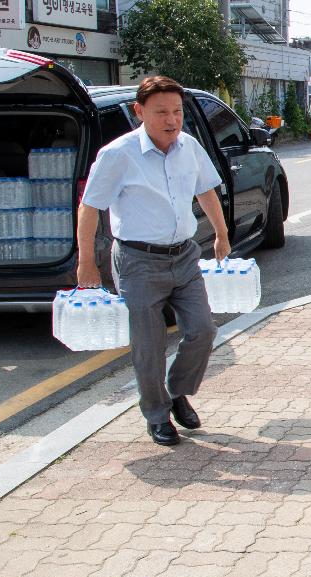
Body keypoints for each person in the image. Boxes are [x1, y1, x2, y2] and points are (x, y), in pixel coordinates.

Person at [76, 76, 229, 446]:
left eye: (177, 111)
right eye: (162, 112)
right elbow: (90, 207)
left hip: (185, 256)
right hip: (137, 261)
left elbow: (205, 191)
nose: (171, 120)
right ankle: (157, 415)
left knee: (202, 330)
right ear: (139, 111)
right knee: (149, 344)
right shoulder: (118, 155)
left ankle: (177, 392)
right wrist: (86, 262)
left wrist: (222, 234)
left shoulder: (189, 146)